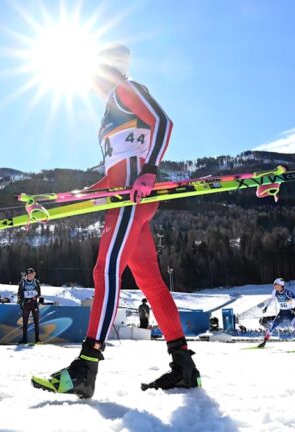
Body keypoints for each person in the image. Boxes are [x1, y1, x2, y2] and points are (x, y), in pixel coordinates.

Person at [32, 44, 200, 399]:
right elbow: (109, 177)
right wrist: (63, 200)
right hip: (123, 195)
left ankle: (85, 366)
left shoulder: (126, 89)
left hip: (133, 196)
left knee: (105, 271)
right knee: (150, 281)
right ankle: (184, 366)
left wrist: (151, 171)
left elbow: (163, 123)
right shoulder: (109, 108)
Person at [257, 278, 295, 351]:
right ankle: (264, 343)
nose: (274, 286)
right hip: (282, 313)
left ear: (280, 285)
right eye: (274, 284)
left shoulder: (287, 293)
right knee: (272, 327)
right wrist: (266, 307)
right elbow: (271, 299)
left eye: (275, 284)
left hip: (289, 312)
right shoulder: (275, 292)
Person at [17, 268, 42, 344]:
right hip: (26, 303)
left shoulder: (36, 282)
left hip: (34, 303)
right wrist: (21, 302)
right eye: (28, 275)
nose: (30, 276)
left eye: (31, 274)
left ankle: (37, 339)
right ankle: (24, 339)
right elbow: (19, 293)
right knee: (25, 322)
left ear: (34, 274)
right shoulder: (23, 282)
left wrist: (35, 297)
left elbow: (39, 293)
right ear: (26, 275)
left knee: (36, 321)